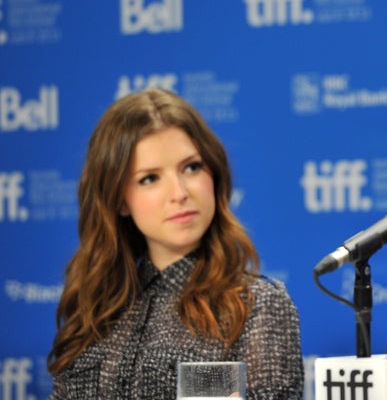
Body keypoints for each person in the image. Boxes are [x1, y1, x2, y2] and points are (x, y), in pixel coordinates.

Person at [47, 88, 304, 399]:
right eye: (150, 178)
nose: (179, 192)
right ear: (119, 200)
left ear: (215, 174)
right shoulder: (93, 310)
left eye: (191, 167)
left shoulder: (255, 305)